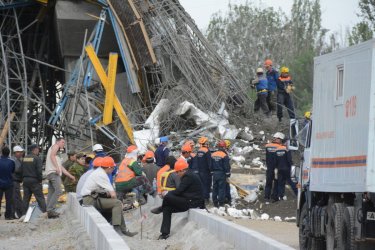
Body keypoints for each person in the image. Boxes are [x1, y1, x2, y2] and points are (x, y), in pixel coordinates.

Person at [81, 156, 137, 237]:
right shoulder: (101, 174)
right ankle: (117, 229)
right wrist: (120, 203)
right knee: (117, 203)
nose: (113, 169)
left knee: (116, 204)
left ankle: (123, 229)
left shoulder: (99, 172)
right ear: (109, 167)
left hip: (91, 198)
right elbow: (113, 194)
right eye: (113, 167)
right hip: (90, 200)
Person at [151, 159, 204, 240]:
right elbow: (180, 191)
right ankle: (164, 233)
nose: (176, 174)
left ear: (182, 170)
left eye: (177, 172)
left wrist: (167, 193)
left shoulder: (188, 176)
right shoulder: (188, 175)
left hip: (192, 202)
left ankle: (161, 208)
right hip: (187, 199)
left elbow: (179, 191)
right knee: (167, 208)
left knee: (167, 197)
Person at [45, 138, 75, 218]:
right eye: (62, 142)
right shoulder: (55, 146)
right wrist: (56, 168)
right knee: (58, 191)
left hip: (51, 173)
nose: (63, 144)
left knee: (51, 192)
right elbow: (52, 156)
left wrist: (70, 176)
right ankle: (50, 210)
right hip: (54, 173)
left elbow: (62, 168)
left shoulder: (57, 157)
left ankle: (49, 210)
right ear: (57, 142)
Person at [21, 144, 47, 216]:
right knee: (40, 197)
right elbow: (39, 171)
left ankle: (23, 214)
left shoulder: (25, 158)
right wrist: (40, 180)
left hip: (25, 180)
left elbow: (21, 170)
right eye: (38, 149)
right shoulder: (37, 158)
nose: (39, 150)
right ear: (35, 150)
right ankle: (44, 212)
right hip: (34, 180)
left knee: (26, 198)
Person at [264, 133, 284, 203]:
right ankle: (274, 197)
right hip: (277, 168)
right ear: (279, 139)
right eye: (281, 140)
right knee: (276, 183)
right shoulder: (282, 147)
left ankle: (266, 197)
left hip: (269, 167)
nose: (282, 141)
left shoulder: (267, 146)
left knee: (268, 183)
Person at [210, 140, 231, 207]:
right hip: (221, 173)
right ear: (224, 147)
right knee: (221, 188)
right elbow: (226, 166)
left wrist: (212, 171)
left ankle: (215, 202)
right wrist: (228, 174)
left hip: (215, 174)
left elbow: (210, 164)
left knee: (215, 188)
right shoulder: (224, 155)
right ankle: (221, 202)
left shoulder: (213, 154)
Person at [191, 136, 212, 203]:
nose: (207, 143)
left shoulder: (199, 151)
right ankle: (206, 199)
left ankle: (201, 198)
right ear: (204, 143)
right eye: (206, 142)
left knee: (201, 185)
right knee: (206, 185)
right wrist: (211, 170)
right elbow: (209, 162)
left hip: (199, 171)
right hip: (206, 171)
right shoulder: (207, 151)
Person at [0, 147, 15, 219]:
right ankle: (8, 216)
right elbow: (12, 171)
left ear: (2, 152)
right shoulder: (12, 162)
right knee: (9, 200)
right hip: (9, 183)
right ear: (9, 153)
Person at [11, 145, 24, 218]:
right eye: (19, 152)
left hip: (17, 181)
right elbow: (16, 170)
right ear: (15, 152)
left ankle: (17, 213)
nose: (21, 153)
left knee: (17, 197)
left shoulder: (18, 160)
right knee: (16, 198)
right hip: (14, 181)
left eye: (21, 152)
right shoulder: (14, 160)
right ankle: (17, 213)